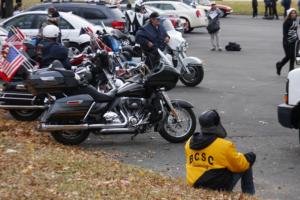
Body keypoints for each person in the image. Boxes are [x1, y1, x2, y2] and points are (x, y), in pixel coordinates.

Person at [185, 110, 256, 195]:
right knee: (247, 162)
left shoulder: (189, 142)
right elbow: (240, 166)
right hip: (215, 187)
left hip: (194, 184)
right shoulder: (224, 146)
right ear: (217, 124)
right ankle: (249, 195)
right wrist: (249, 157)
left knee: (228, 163)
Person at [276, 8, 298, 75]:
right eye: (292, 13)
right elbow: (285, 33)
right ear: (289, 14)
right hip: (287, 41)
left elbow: (295, 31)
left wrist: (298, 39)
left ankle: (291, 73)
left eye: (294, 13)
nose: (294, 14)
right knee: (288, 56)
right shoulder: (286, 22)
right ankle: (279, 65)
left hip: (294, 41)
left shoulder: (295, 21)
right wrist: (286, 41)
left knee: (293, 58)